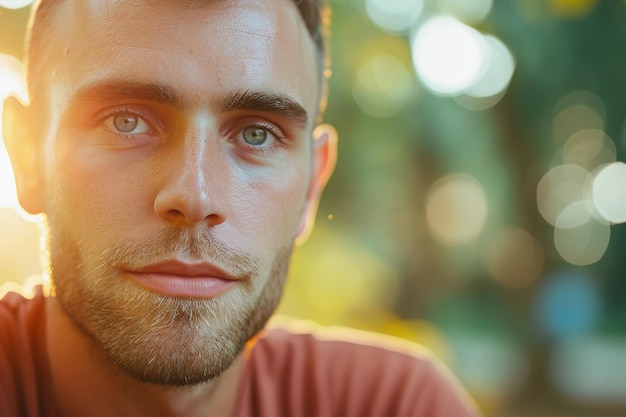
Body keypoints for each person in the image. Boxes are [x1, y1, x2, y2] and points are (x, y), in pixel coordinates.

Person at [0, 0, 481, 416]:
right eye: (125, 121)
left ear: (312, 186)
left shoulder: (394, 407)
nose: (195, 196)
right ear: (27, 157)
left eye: (257, 134)